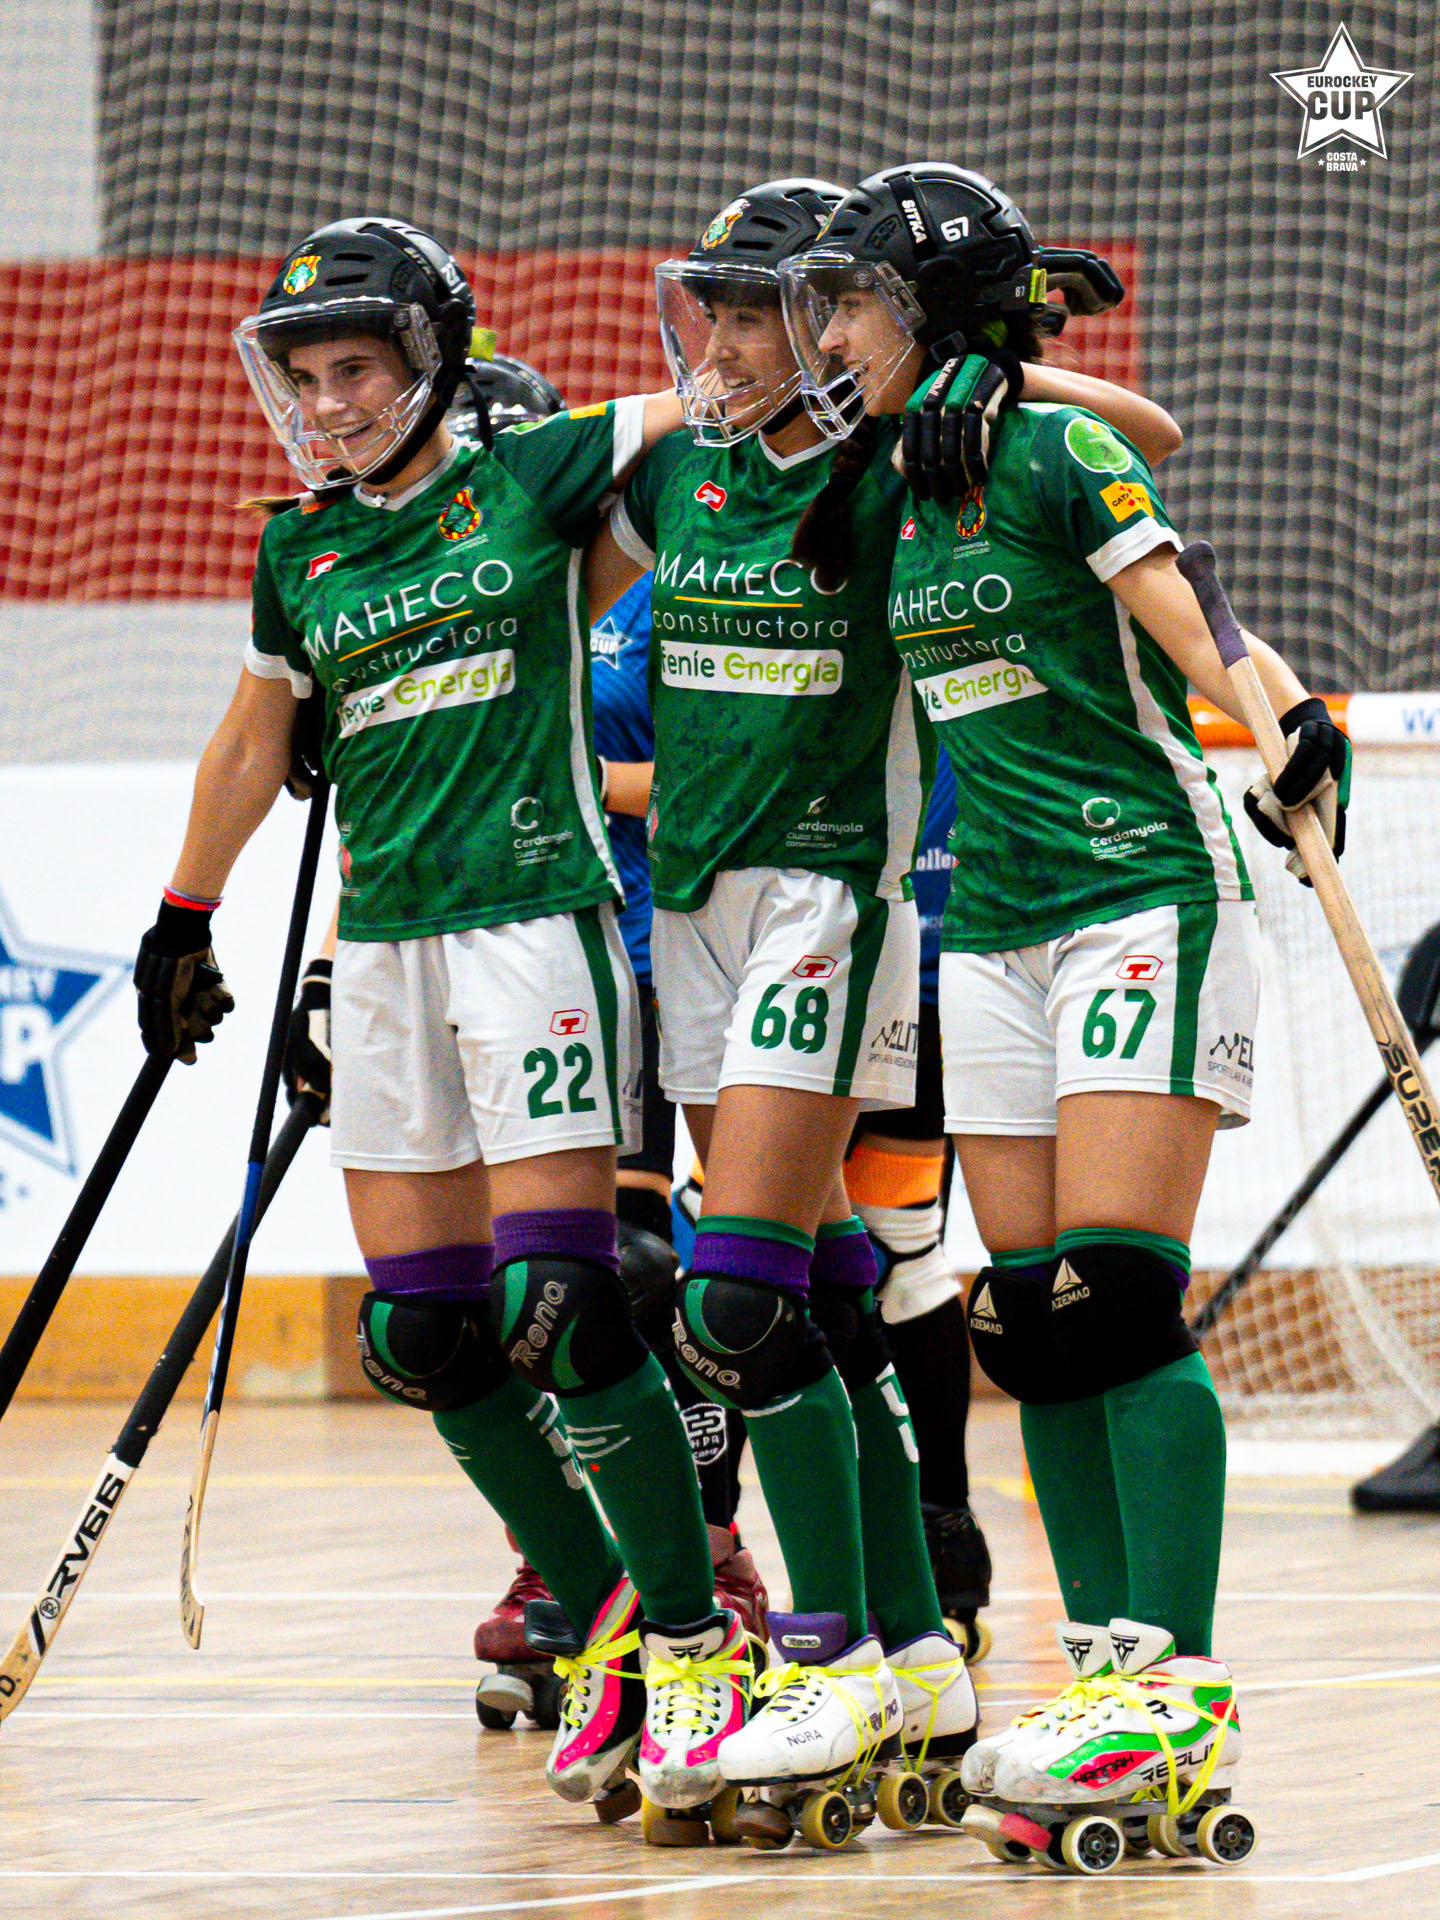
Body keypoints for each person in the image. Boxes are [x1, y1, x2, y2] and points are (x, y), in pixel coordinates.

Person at [130, 216, 754, 1823]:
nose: (326, 402)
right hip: (390, 952)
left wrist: (908, 355)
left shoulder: (533, 476)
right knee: (423, 1334)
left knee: (565, 1303)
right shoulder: (302, 551)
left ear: (430, 362)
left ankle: (697, 1643)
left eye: (356, 367)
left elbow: (718, 399)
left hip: (533, 925)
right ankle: (608, 1623)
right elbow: (253, 739)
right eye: (305, 376)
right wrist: (185, 914)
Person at [584, 178, 1188, 1832]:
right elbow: (532, 576)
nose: (720, 343)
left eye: (755, 315)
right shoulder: (677, 474)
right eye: (707, 312)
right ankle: (919, 1655)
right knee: (824, 1293)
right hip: (691, 919)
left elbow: (1143, 437)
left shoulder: (907, 460)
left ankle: (836, 1654)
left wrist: (992, 370)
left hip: (835, 904)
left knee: (737, 1302)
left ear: (831, 325)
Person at [779, 162, 1349, 1840]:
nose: (830, 339)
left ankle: (1178, 1692)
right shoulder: (892, 480)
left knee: (1115, 1299)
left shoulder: (1045, 447)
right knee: (1026, 1319)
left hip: (1136, 893)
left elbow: (1192, 613)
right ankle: (1105, 1675)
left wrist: (1288, 717)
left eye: (856, 306)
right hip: (991, 923)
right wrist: (940, 391)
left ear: (931, 312)